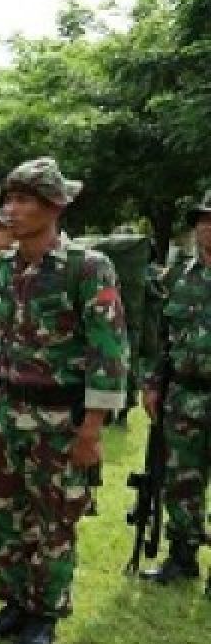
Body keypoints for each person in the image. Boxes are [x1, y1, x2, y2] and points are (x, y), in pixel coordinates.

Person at [0, 158, 127, 644]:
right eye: (8, 200)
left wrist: (92, 430)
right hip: (8, 414)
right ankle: (15, 601)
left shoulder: (87, 267)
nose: (11, 210)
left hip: (62, 419)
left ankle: (45, 613)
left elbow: (108, 351)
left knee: (55, 519)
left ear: (54, 207)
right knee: (4, 514)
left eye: (24, 200)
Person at [139, 190, 211, 589]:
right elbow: (161, 339)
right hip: (183, 396)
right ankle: (182, 556)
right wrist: (152, 384)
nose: (207, 228)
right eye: (202, 220)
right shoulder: (179, 278)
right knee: (181, 479)